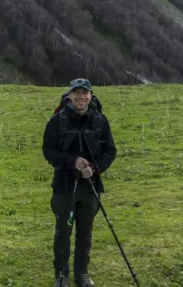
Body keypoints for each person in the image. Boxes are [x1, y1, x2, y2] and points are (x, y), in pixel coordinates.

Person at [42, 78, 117, 287]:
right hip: (64, 186)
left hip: (90, 187)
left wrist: (94, 168)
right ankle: (61, 275)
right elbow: (48, 151)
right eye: (77, 93)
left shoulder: (100, 121)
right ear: (70, 95)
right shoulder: (57, 121)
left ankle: (82, 273)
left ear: (90, 96)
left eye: (85, 93)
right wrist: (71, 161)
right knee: (63, 233)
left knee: (85, 232)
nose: (81, 97)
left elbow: (110, 151)